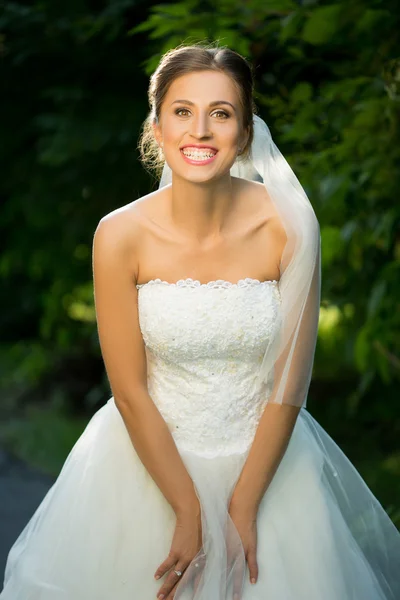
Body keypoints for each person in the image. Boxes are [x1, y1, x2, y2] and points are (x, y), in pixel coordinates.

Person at [1, 42, 399, 600]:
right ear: (157, 127)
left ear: (244, 131)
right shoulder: (119, 235)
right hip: (145, 467)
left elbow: (290, 386)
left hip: (269, 468)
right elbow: (130, 390)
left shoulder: (289, 225)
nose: (201, 131)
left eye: (221, 113)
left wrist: (242, 505)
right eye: (182, 111)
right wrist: (188, 509)